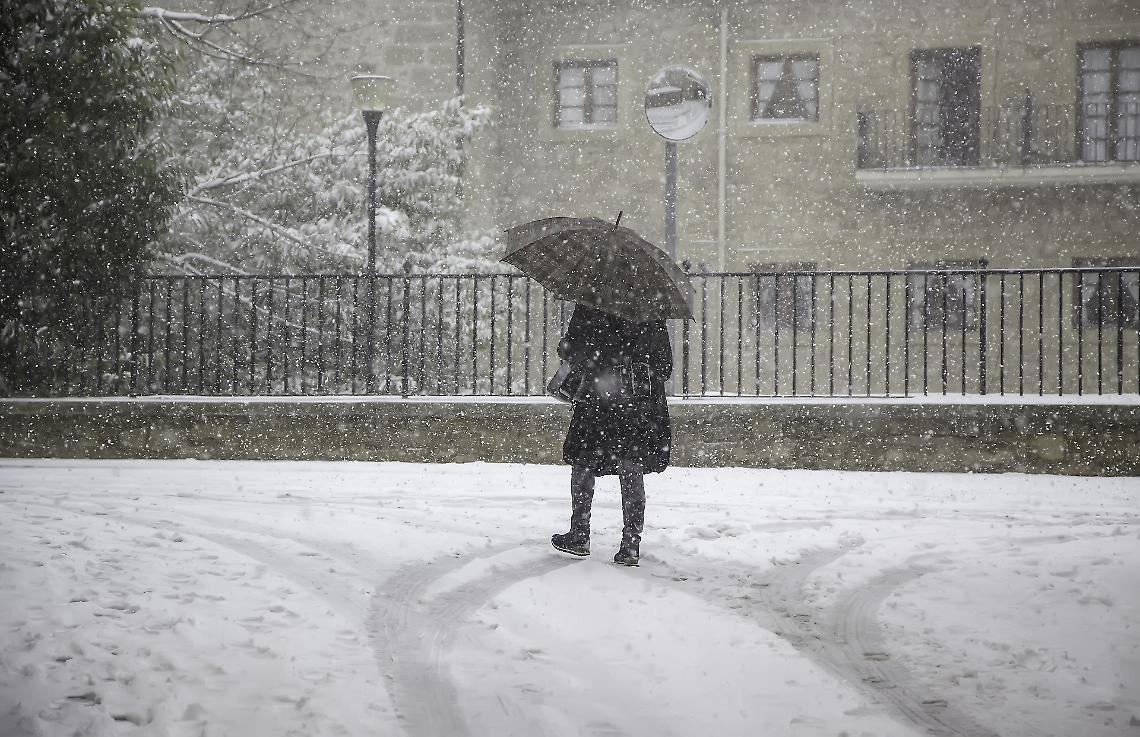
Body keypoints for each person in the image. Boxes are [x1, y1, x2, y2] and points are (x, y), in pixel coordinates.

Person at [550, 303, 673, 566]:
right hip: (636, 401)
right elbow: (664, 366)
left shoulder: (592, 300)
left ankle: (579, 533)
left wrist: (572, 349)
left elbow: (572, 351)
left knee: (584, 458)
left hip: (597, 396)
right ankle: (631, 544)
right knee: (631, 463)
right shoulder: (649, 305)